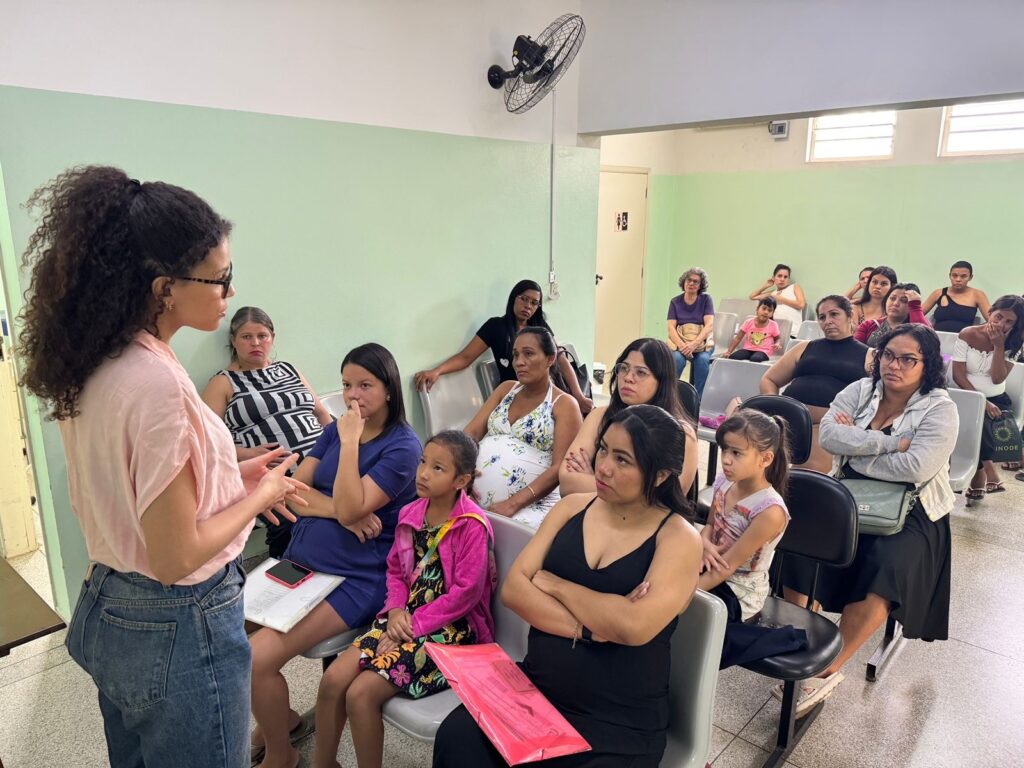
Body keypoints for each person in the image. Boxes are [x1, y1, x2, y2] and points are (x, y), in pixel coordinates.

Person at [16, 166, 307, 768]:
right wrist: (258, 500)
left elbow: (140, 489)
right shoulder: (158, 386)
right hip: (178, 626)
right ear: (163, 287)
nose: (229, 295)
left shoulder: (101, 359)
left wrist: (235, 478)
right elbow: (177, 556)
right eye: (220, 279)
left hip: (113, 602)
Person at [432, 404, 703, 768]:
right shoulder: (572, 507)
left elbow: (633, 627)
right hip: (537, 693)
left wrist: (556, 585)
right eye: (603, 449)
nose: (603, 466)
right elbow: (515, 591)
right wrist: (592, 628)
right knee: (456, 739)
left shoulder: (678, 539)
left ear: (660, 475)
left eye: (623, 460)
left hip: (617, 723)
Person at [249, 343, 422, 768]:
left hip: (356, 577)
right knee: (226, 635)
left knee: (254, 660)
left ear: (389, 389)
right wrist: (343, 513)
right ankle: (281, 721)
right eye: (347, 385)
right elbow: (294, 491)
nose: (353, 396)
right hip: (302, 560)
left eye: (365, 385)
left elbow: (348, 503)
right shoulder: (335, 430)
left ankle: (280, 755)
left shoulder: (402, 447)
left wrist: (348, 445)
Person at [780, 324, 957, 716]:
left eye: (908, 359)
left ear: (926, 366)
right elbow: (828, 437)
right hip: (847, 494)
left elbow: (918, 467)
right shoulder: (860, 391)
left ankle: (826, 671)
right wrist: (891, 443)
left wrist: (857, 447)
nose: (894, 365)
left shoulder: (940, 408)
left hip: (913, 508)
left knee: (886, 571)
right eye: (888, 355)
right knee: (798, 549)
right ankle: (806, 644)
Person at [312, 431, 494, 768]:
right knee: (333, 680)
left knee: (361, 694)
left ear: (462, 480)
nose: (423, 472)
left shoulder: (471, 527)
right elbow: (396, 572)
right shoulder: (412, 513)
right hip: (402, 616)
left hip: (450, 632)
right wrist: (395, 611)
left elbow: (464, 596)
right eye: (424, 461)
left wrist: (406, 628)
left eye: (438, 468)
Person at [202, 306, 333, 557]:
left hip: (323, 465)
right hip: (271, 478)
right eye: (246, 336)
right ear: (233, 341)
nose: (255, 343)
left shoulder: (289, 370)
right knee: (295, 532)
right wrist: (244, 454)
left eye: (262, 336)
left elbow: (322, 415)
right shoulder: (223, 382)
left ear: (272, 337)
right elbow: (205, 442)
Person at [414, 279, 593, 414]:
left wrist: (577, 395)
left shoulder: (540, 328)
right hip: (516, 396)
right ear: (514, 298)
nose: (528, 306)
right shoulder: (496, 327)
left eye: (534, 303)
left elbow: (561, 361)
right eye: (524, 299)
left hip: (547, 390)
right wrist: (436, 371)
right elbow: (465, 357)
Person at [465, 327, 582, 529]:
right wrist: (462, 476)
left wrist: (512, 504)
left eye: (529, 354)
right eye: (516, 355)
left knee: (511, 534)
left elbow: (559, 469)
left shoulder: (564, 405)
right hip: (473, 496)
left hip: (532, 503)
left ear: (550, 359)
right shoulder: (505, 389)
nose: (519, 362)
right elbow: (470, 434)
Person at [560, 338, 698, 497]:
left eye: (641, 372)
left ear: (662, 381)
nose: (628, 378)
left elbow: (666, 502)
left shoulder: (683, 435)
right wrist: (637, 491)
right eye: (624, 368)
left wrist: (592, 479)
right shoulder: (600, 416)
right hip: (591, 513)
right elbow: (567, 482)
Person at [761, 296, 872, 473]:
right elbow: (769, 379)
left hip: (827, 426)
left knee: (803, 476)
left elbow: (879, 398)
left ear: (850, 316)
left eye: (834, 314)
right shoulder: (805, 347)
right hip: (785, 420)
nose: (828, 321)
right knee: (755, 465)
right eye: (822, 317)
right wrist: (775, 409)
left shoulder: (869, 355)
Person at [699, 410, 790, 624]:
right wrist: (703, 541)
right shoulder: (723, 481)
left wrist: (681, 594)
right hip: (708, 566)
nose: (726, 460)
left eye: (736, 453)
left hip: (738, 591)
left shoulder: (770, 511)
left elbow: (728, 567)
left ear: (766, 459)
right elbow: (710, 524)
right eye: (724, 450)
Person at [948, 295, 1024, 496]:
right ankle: (987, 471)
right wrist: (982, 401)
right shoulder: (967, 334)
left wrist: (999, 346)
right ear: (989, 312)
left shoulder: (1015, 342)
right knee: (974, 417)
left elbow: (997, 378)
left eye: (1009, 322)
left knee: (978, 423)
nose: (1001, 324)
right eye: (998, 317)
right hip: (965, 395)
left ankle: (978, 473)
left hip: (998, 400)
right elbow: (958, 375)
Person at [666, 267, 715, 396]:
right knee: (677, 359)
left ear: (700, 285)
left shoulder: (706, 300)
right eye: (689, 280)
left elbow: (709, 325)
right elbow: (671, 327)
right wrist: (683, 347)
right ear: (684, 282)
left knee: (702, 361)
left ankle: (697, 400)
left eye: (696, 281)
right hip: (681, 343)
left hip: (701, 344)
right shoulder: (675, 301)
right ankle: (671, 395)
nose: (691, 283)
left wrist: (694, 344)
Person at [922, 260, 991, 333]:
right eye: (954, 275)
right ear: (950, 276)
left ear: (970, 277)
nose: (958, 279)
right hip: (937, 338)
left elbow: (992, 320)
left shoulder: (978, 295)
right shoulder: (938, 293)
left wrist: (976, 330)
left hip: (964, 340)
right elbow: (916, 314)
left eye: (963, 276)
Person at [853, 283, 930, 348]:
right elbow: (854, 351)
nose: (895, 303)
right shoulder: (868, 325)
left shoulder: (918, 326)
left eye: (904, 300)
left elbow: (929, 345)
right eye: (892, 298)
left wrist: (915, 306)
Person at [726, 296, 782, 362]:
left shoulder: (773, 324)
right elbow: (738, 338)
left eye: (769, 310)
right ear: (757, 309)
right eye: (764, 308)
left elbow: (777, 338)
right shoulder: (748, 322)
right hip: (747, 349)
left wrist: (777, 343)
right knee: (733, 357)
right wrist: (728, 352)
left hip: (763, 351)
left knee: (755, 358)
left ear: (772, 313)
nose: (766, 312)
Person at [748, 263, 805, 329]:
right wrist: (766, 285)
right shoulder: (773, 293)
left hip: (793, 331)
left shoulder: (794, 287)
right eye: (779, 276)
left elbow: (801, 305)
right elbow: (752, 297)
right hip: (774, 331)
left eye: (785, 277)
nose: (782, 279)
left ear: (788, 279)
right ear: (774, 278)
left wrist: (780, 299)